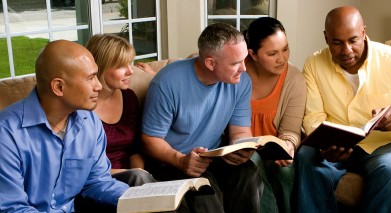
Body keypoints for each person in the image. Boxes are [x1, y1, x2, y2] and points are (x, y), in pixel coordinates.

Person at [141, 23, 263, 213]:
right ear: (210, 63)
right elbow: (149, 140)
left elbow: (239, 131)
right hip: (172, 161)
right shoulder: (166, 82)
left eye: (244, 60)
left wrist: (241, 147)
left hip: (212, 157)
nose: (244, 69)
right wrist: (181, 160)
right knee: (205, 187)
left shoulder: (241, 82)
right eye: (235, 63)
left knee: (247, 173)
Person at [0, 40, 129, 212]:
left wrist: (138, 198)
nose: (98, 86)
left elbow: (97, 182)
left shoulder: (90, 122)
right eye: (91, 78)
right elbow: (12, 208)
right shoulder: (6, 134)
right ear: (59, 87)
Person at [296, 6, 391, 213]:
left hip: (383, 145)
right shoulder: (313, 64)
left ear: (363, 33)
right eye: (337, 42)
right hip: (335, 145)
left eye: (353, 40)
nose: (346, 51)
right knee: (306, 156)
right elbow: (313, 116)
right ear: (326, 38)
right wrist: (326, 142)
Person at [244, 17, 306, 213]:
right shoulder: (234, 69)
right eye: (272, 53)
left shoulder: (294, 79)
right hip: (241, 147)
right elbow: (201, 61)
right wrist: (151, 69)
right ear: (252, 54)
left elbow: (290, 130)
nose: (282, 59)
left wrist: (287, 144)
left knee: (285, 170)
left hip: (274, 149)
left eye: (285, 49)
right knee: (251, 164)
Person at [85, 34, 155, 185]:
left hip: (134, 179)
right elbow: (83, 167)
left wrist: (140, 173)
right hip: (98, 181)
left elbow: (134, 150)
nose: (131, 71)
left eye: (130, 63)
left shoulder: (129, 97)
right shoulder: (81, 107)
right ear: (101, 67)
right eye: (122, 66)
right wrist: (134, 175)